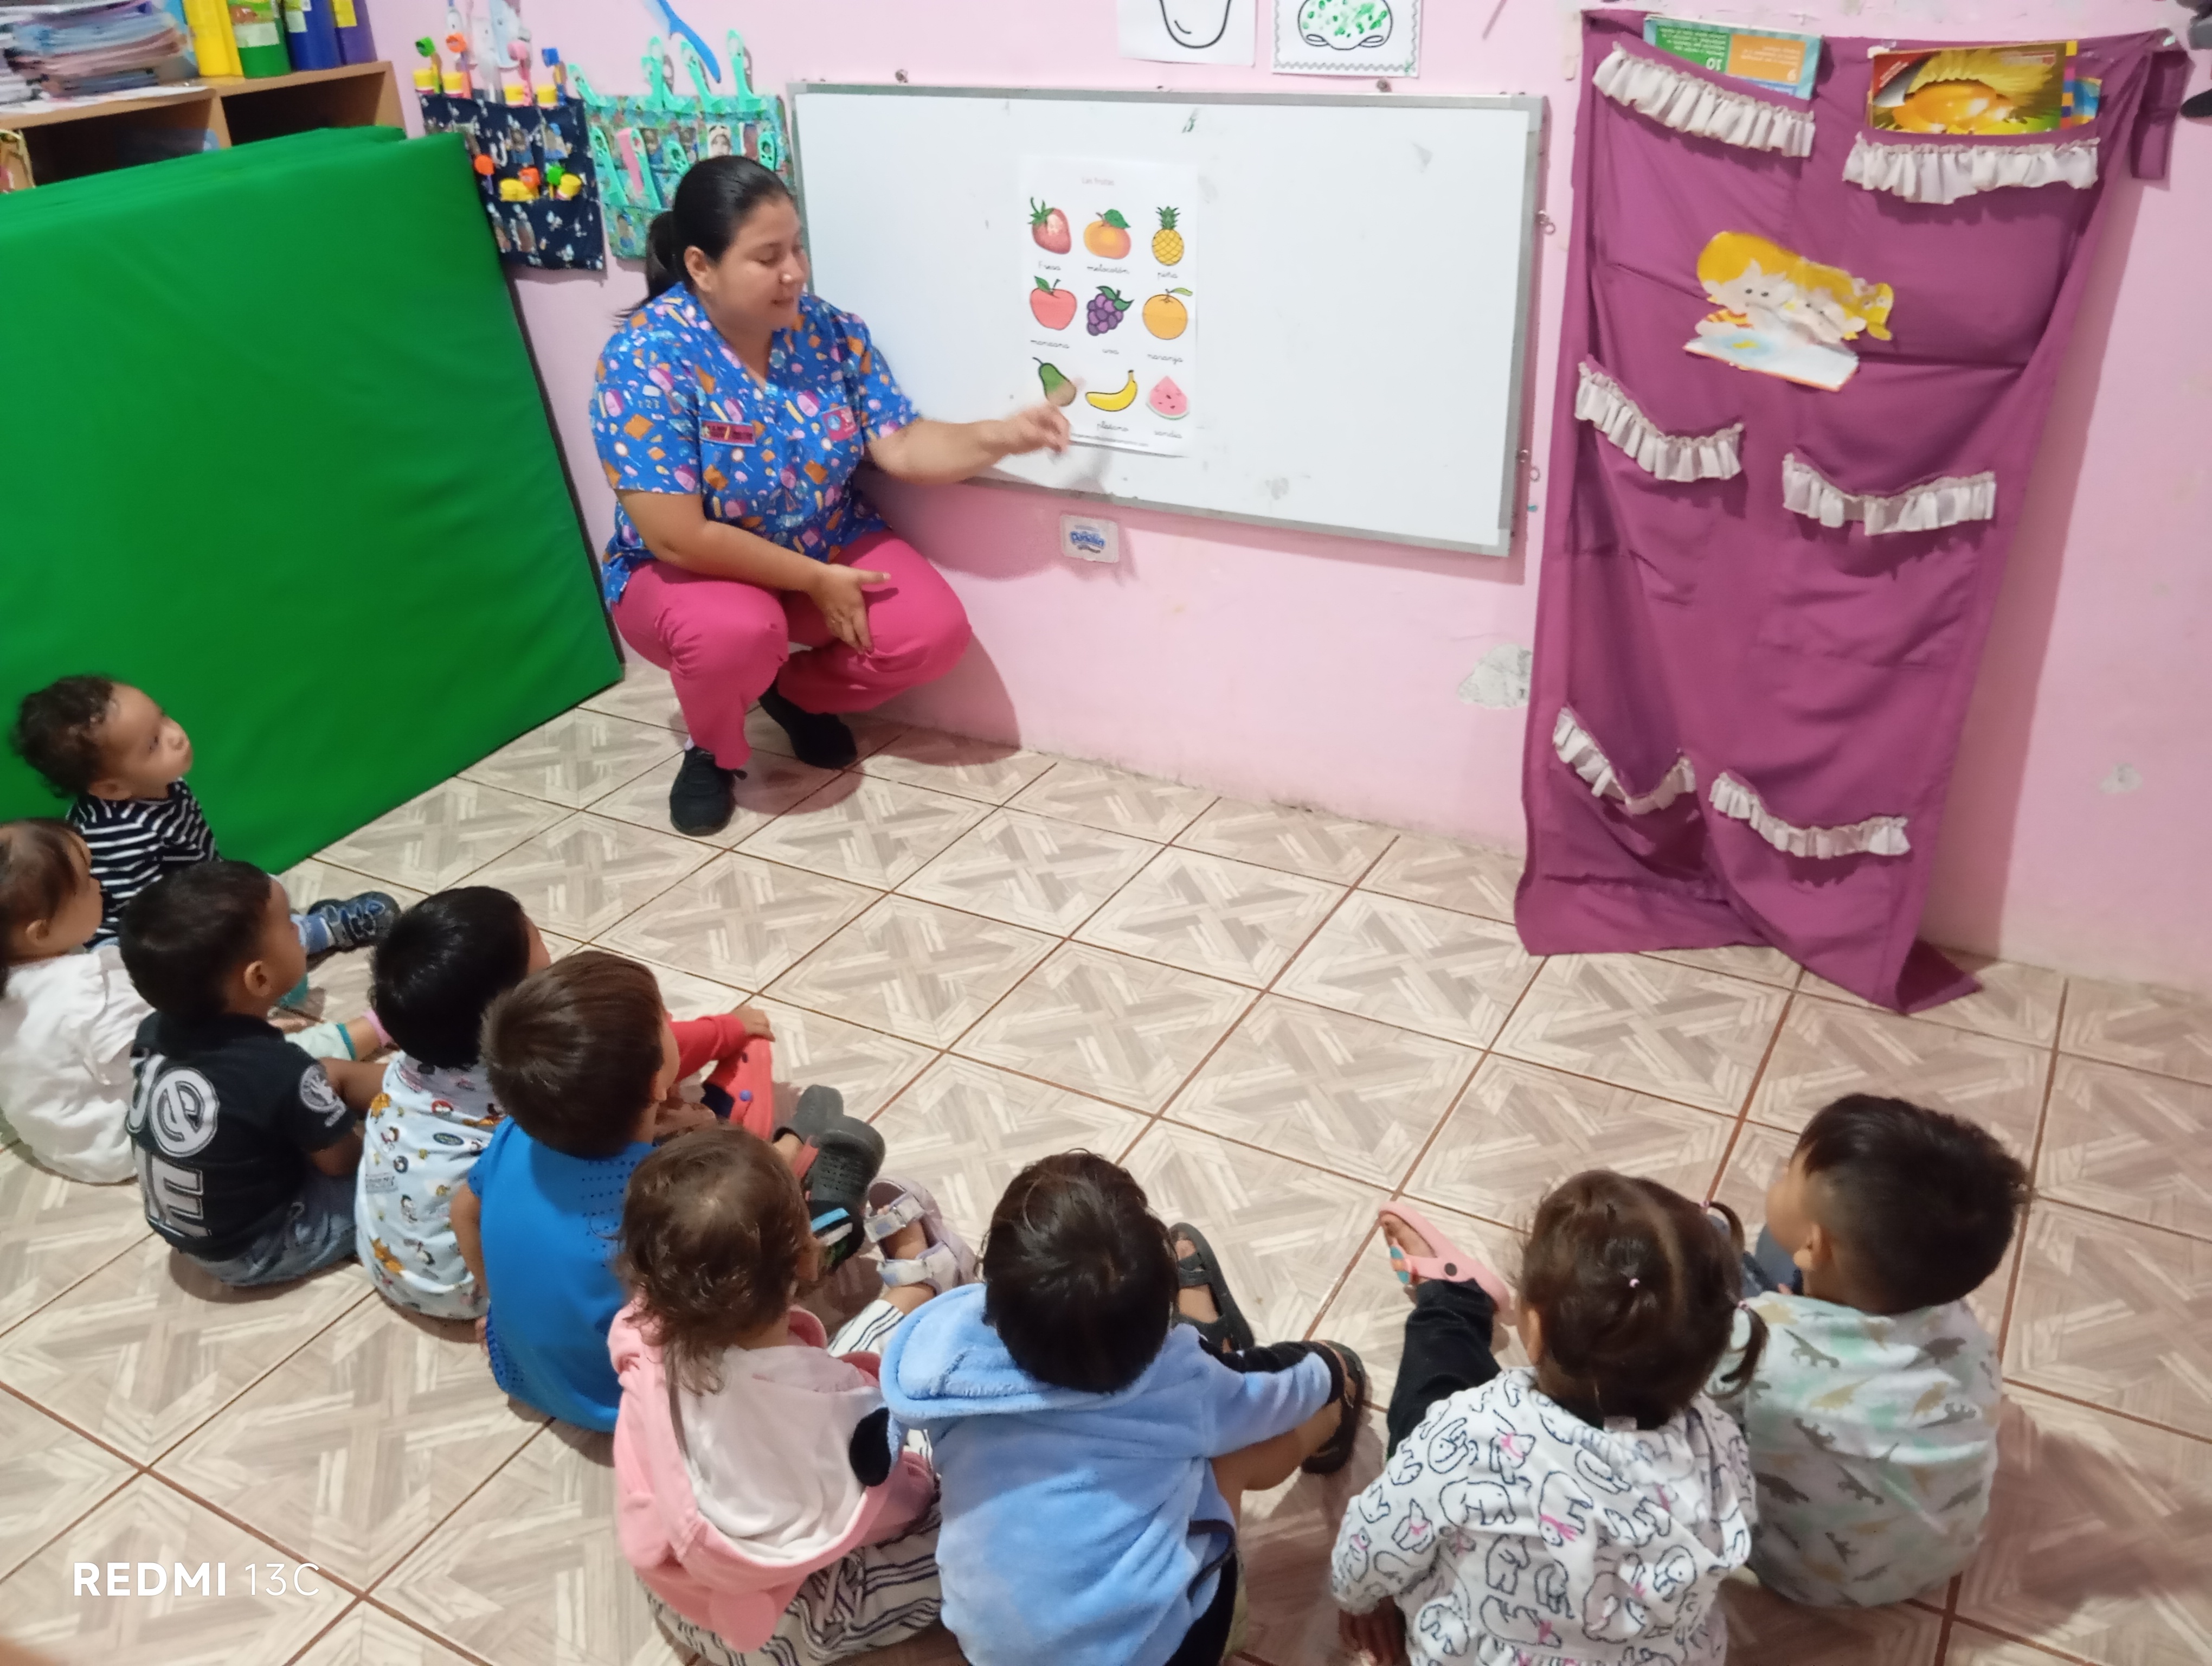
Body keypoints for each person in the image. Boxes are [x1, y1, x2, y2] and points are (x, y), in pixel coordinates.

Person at [589, 155, 1072, 835]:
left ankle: (791, 694)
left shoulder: (830, 331)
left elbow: (902, 445)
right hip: (691, 571)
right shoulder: (644, 358)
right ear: (701, 266)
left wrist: (1002, 436)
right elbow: (677, 536)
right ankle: (713, 747)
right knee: (734, 631)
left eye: (797, 248)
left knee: (930, 633)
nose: (794, 272)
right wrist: (815, 581)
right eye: (768, 257)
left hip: (822, 538)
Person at [878, 1152, 1367, 1666]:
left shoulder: (948, 1364)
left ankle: (1210, 1344)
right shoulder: (1177, 1384)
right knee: (1227, 1451)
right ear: (1162, 1314)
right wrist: (1331, 1368)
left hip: (992, 1652)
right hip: (1166, 1649)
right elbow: (1267, 1394)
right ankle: (1331, 1425)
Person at [1331, 1176, 1759, 1666]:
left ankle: (1451, 1299)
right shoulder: (1721, 1444)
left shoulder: (1470, 1436)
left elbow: (1375, 1535)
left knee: (1429, 1398)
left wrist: (1357, 1598)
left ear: (1533, 1325)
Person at [465, 950, 883, 1430]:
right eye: (666, 1022)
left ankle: (787, 1152)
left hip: (521, 1371)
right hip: (632, 1403)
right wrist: (764, 1153)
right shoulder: (656, 1197)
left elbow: (464, 1212)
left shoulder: (513, 1133)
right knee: (753, 1248)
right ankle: (829, 1213)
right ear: (656, 1082)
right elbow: (717, 1286)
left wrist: (504, 1306)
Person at [613, 1127, 977, 1665]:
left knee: (831, 1366)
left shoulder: (643, 1335)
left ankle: (913, 1294)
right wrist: (932, 1475)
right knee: (976, 1523)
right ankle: (922, 1289)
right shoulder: (827, 1414)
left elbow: (816, 1384)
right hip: (781, 1625)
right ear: (808, 1260)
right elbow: (897, 1504)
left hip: (678, 1586)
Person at [1711, 1094, 2027, 1608]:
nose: (1781, 1175)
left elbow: (1690, 1396)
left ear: (1814, 1246)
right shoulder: (1957, 1319)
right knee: (1774, 1260)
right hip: (1942, 1556)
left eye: (1790, 1174)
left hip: (1806, 1575)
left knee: (1731, 1276)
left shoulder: (1757, 1341)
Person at [0, 822, 371, 1184]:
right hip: (126, 1141)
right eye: (86, 882)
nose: (100, 885)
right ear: (41, 931)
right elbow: (161, 1057)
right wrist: (244, 1039)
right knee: (290, 1063)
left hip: (60, 1145)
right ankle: (379, 1025)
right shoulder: (88, 989)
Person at [116, 861, 387, 1286]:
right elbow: (342, 1163)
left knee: (323, 1075)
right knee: (402, 1175)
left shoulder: (154, 1030)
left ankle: (409, 1086)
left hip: (194, 1229)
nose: (300, 929)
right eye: (291, 926)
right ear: (260, 978)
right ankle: (436, 1101)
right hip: (259, 1247)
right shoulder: (279, 1069)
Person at [9, 675, 398, 952]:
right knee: (243, 946)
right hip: (144, 937)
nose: (176, 735)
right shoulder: (118, 836)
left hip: (191, 893)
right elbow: (150, 917)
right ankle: (320, 931)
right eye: (153, 744)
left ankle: (284, 928)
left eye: (163, 717)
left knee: (263, 890)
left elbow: (198, 855)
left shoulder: (163, 783)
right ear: (112, 788)